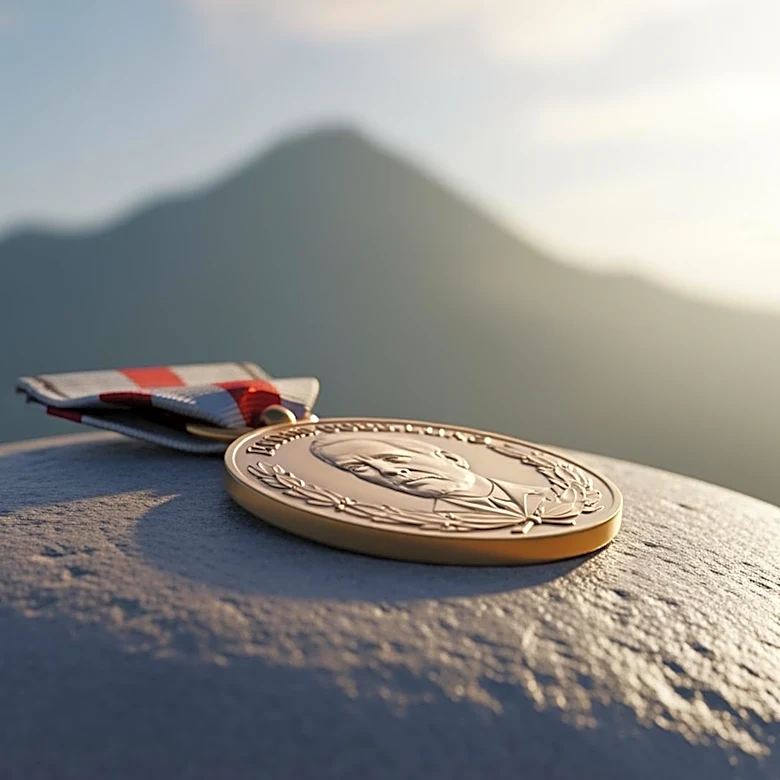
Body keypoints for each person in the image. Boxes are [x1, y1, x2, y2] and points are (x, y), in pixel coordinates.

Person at [309, 434, 559, 525]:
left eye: (393, 459)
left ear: (448, 456)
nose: (388, 472)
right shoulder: (434, 523)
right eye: (358, 467)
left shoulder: (556, 497)